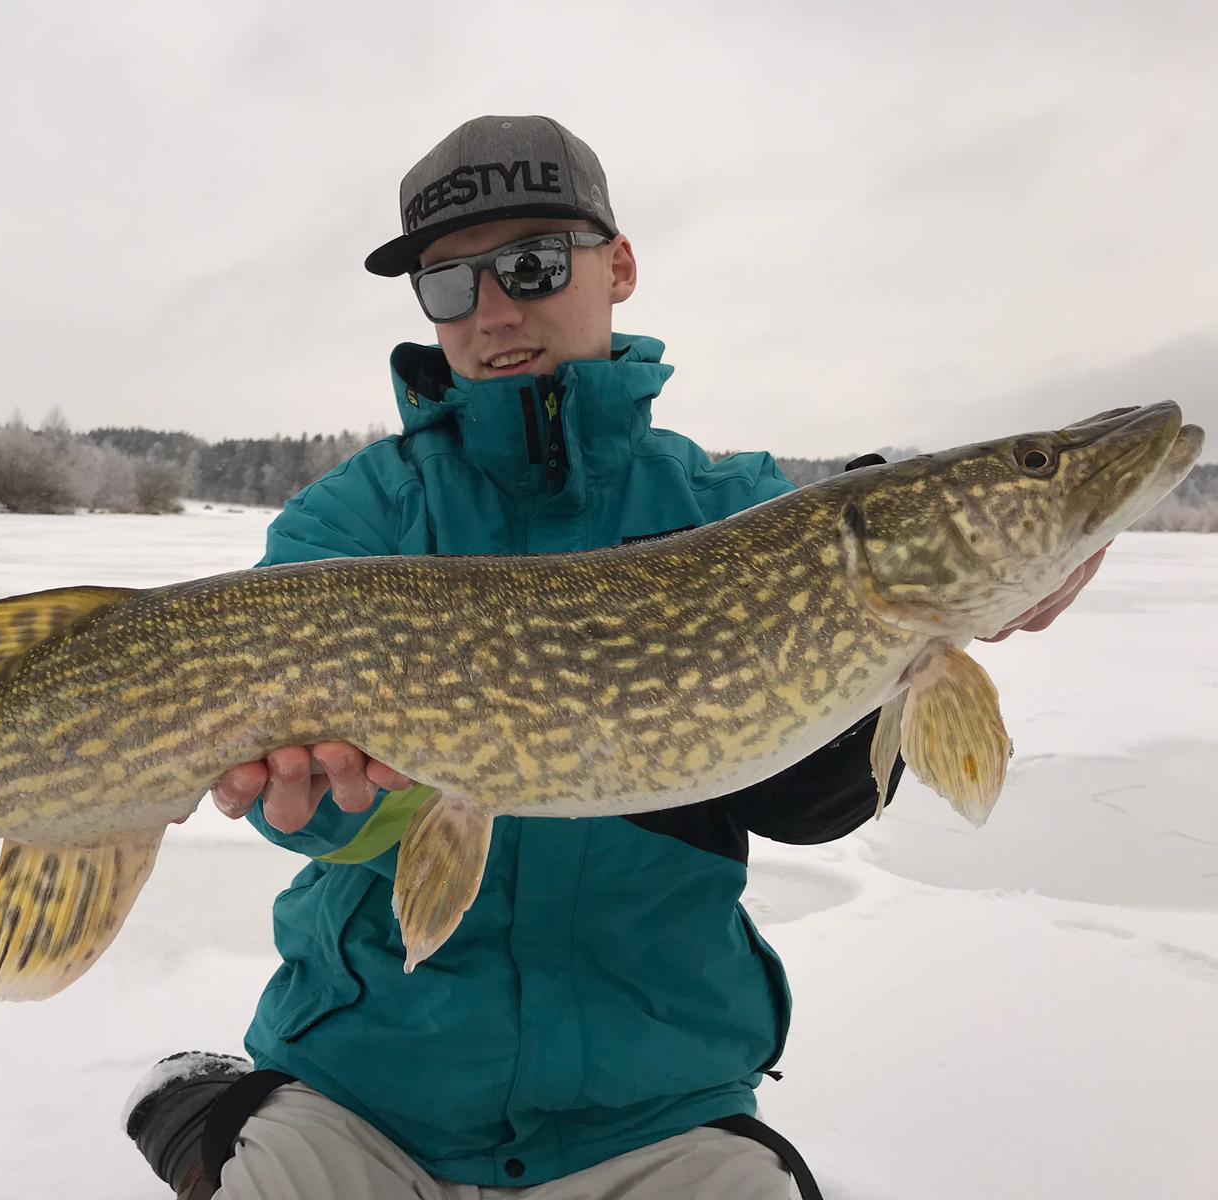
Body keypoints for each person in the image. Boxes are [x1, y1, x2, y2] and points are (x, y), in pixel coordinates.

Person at [123, 115, 1108, 1200]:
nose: (493, 309)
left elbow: (817, 807)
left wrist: (893, 647)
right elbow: (293, 810)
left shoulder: (734, 511)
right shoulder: (356, 519)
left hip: (657, 1101)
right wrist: (342, 800)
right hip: (369, 1081)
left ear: (618, 266)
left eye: (533, 264)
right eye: (448, 285)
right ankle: (216, 1119)